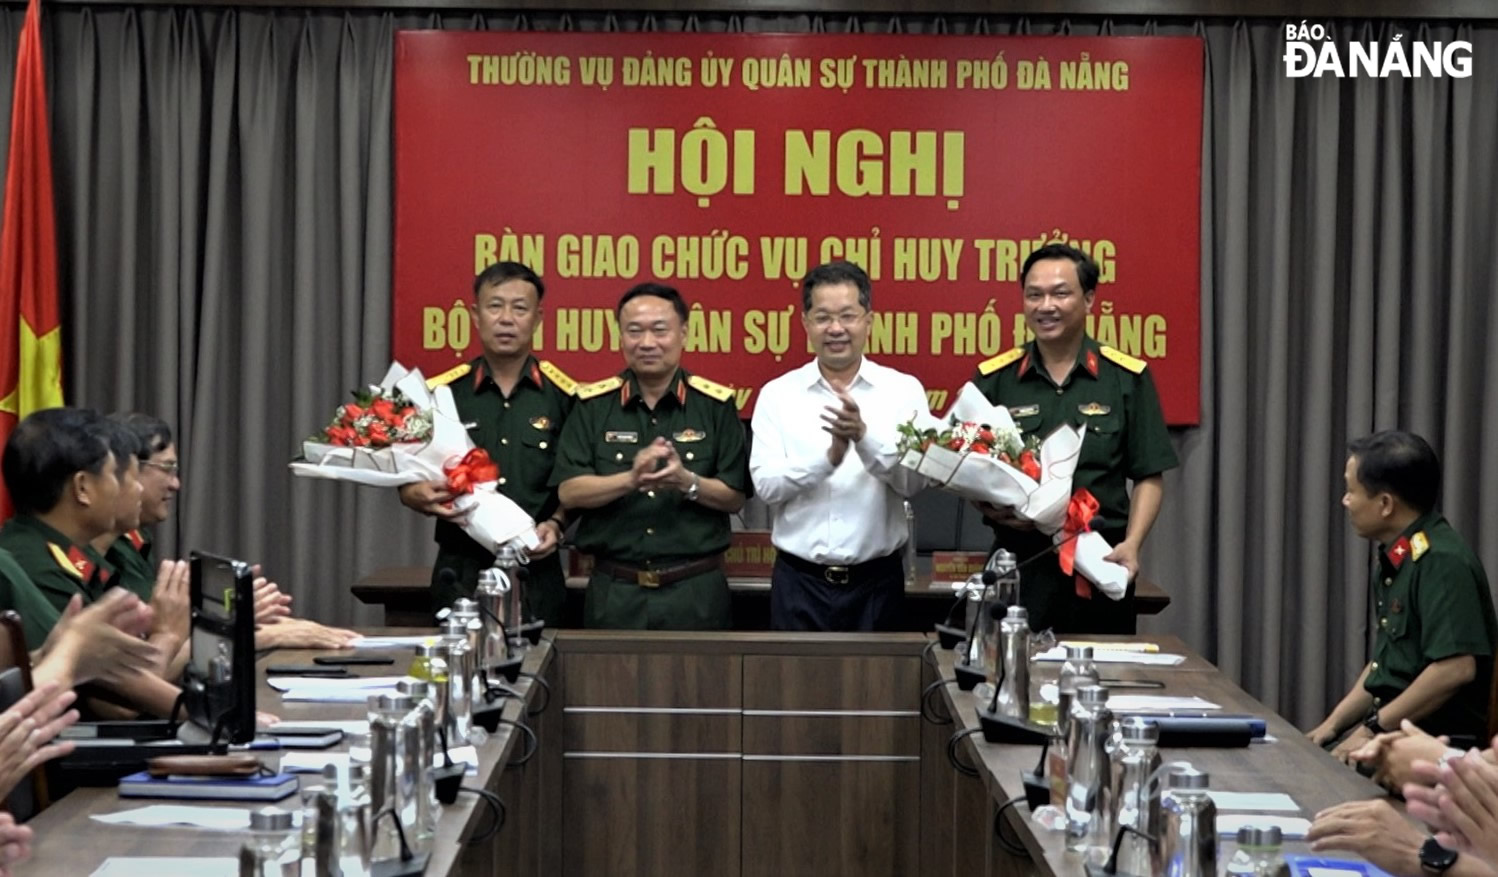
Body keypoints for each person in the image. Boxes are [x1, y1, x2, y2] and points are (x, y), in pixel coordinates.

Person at [970, 242, 1177, 635]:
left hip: (1100, 561)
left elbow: (1149, 474)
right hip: (1021, 562)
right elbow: (970, 465)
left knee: (1102, 679)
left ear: (1089, 299)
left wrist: (1132, 544)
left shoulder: (1125, 378)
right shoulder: (994, 379)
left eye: (1060, 293)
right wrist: (986, 503)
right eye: (1034, 295)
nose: (1046, 305)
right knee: (1009, 679)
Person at [553, 283, 750, 629]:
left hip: (696, 592)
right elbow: (569, 491)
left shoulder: (715, 406)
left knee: (698, 686)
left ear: (684, 333)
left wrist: (686, 481)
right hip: (615, 593)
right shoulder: (592, 407)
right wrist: (630, 479)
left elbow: (734, 497)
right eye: (634, 331)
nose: (646, 342)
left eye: (659, 330)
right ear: (620, 336)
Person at [750, 261, 928, 631]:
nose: (835, 329)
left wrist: (864, 438)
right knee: (793, 689)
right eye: (823, 317)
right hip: (798, 584)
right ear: (805, 323)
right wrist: (826, 460)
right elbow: (766, 487)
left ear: (868, 320)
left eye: (847, 316)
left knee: (879, 690)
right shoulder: (777, 395)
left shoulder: (903, 391)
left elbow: (913, 484)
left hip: (878, 584)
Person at [399, 262, 575, 621]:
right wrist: (410, 494)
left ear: (538, 318)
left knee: (541, 673)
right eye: (495, 306)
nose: (506, 318)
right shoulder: (442, 395)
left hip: (536, 569)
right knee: (457, 672)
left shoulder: (566, 398)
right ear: (475, 315)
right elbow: (408, 474)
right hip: (459, 569)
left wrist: (557, 524)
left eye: (519, 308)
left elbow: (576, 479)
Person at [1307, 431, 1496, 759]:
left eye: (1352, 490)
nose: (1345, 500)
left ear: (1385, 504)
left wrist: (1373, 729)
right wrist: (1332, 726)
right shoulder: (1401, 557)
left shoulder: (1441, 561)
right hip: (1397, 734)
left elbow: (1455, 668)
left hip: (1439, 748)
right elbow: (1387, 663)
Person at [108, 413, 354, 650]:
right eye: (167, 468)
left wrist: (236, 615)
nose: (175, 484)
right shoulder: (105, 547)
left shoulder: (133, 539)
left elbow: (165, 632)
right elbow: (144, 659)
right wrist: (249, 630)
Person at [0, 408, 181, 717]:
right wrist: (170, 634)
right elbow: (118, 705)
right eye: (119, 474)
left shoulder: (56, 552)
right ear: (82, 488)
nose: (135, 488)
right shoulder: (27, 563)